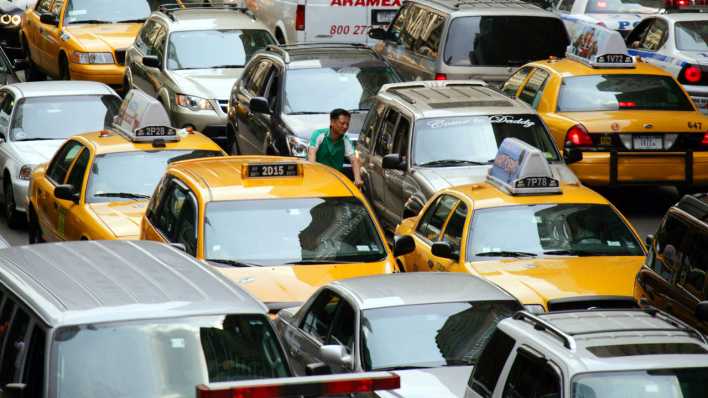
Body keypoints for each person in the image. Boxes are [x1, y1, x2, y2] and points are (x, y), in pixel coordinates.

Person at [308, 108, 363, 187]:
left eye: (347, 124)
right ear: (332, 122)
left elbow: (354, 160)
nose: (345, 127)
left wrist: (357, 179)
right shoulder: (319, 134)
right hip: (316, 177)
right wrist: (313, 175)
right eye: (342, 123)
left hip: (335, 179)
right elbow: (311, 154)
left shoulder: (345, 140)